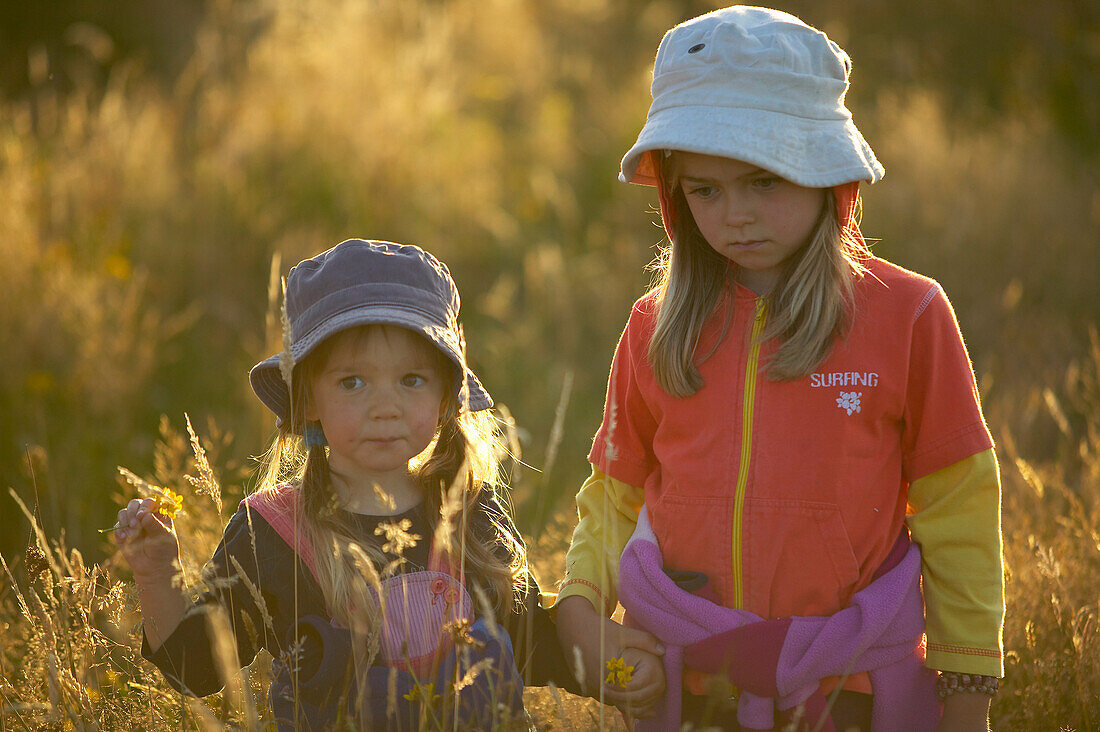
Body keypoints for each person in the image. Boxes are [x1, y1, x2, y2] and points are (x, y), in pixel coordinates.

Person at [554, 7, 1004, 732]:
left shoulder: (910, 315)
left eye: (765, 181)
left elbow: (960, 512)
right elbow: (615, 494)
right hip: (690, 688)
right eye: (705, 188)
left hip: (851, 689)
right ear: (673, 192)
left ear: (827, 174)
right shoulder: (653, 327)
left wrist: (967, 691)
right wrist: (579, 611)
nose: (736, 215)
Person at [115, 239, 579, 730]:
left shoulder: (468, 512)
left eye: (412, 379)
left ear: (446, 394)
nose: (386, 406)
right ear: (309, 397)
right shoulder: (272, 532)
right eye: (352, 382)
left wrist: (629, 666)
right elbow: (196, 667)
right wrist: (156, 574)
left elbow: (538, 649)